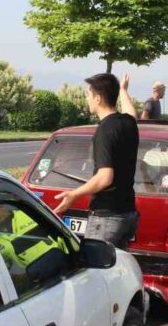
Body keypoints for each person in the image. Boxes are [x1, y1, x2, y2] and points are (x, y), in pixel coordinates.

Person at [53, 73, 140, 249]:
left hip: (107, 217)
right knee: (115, 270)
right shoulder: (128, 123)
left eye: (88, 94)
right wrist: (122, 90)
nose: (87, 99)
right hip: (127, 214)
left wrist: (74, 194)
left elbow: (105, 177)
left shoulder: (105, 130)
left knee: (97, 270)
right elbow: (132, 113)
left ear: (98, 98)